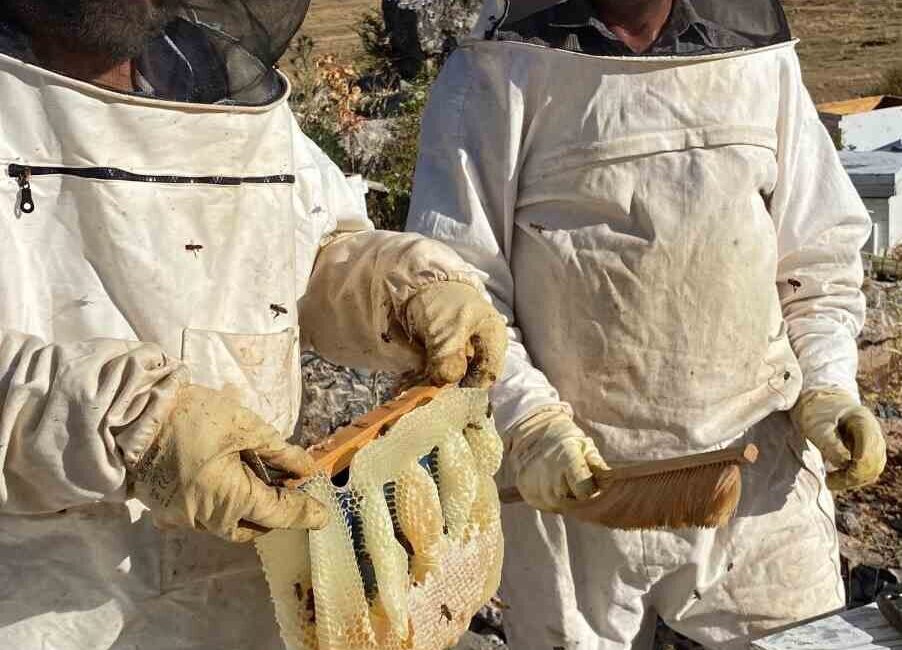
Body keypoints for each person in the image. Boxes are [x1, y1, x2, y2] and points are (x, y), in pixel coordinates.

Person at [0, 1, 508, 648]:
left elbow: (313, 247)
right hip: (48, 604)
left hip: (256, 586)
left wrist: (402, 290)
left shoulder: (210, 82)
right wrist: (123, 423)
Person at [407, 0, 888, 648]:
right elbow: (459, 288)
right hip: (574, 493)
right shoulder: (497, 73)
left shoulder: (756, 61)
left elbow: (818, 260)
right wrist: (530, 423)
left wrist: (828, 388)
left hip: (757, 482)